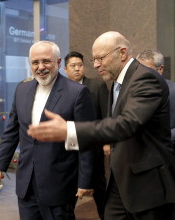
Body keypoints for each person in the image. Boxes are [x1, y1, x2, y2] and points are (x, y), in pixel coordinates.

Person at [27, 31, 175, 220]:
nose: (95, 65)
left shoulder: (146, 78)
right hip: (120, 179)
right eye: (94, 59)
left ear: (122, 53)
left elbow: (126, 124)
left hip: (147, 184)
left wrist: (70, 130)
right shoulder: (116, 82)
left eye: (100, 58)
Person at [0, 41, 96, 220]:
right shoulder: (22, 89)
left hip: (59, 184)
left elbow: (85, 139)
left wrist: (85, 181)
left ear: (58, 62)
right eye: (35, 62)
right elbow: (12, 131)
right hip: (26, 183)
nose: (40, 67)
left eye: (46, 61)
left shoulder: (77, 93)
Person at [64, 51, 109, 219]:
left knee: (99, 189)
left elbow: (106, 115)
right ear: (65, 69)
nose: (77, 69)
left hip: (93, 145)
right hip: (70, 147)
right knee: (70, 191)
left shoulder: (97, 86)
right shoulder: (62, 89)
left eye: (80, 65)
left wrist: (106, 142)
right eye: (73, 66)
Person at [136, 49, 175, 149]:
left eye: (147, 70)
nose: (142, 74)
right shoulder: (132, 91)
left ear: (160, 69)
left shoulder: (173, 90)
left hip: (166, 151)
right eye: (139, 69)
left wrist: (159, 138)